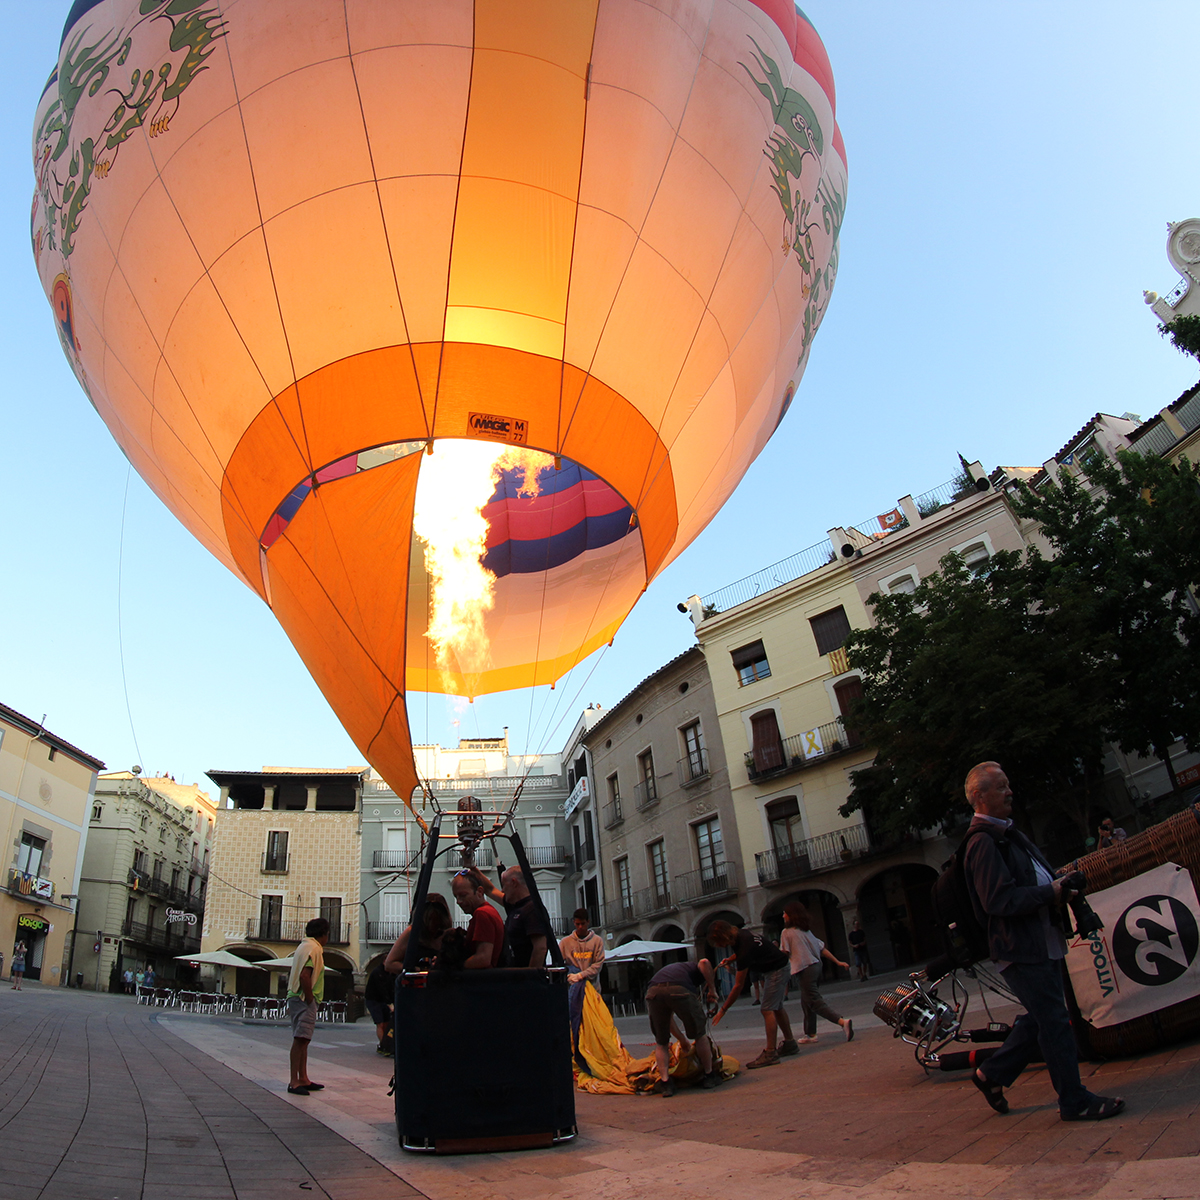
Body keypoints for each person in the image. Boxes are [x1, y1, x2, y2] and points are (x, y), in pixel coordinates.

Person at [962, 762, 1125, 1122]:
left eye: (1008, 785)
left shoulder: (1008, 835)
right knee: (1053, 1020)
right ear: (979, 797)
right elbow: (998, 901)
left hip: (1039, 941)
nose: (1010, 792)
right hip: (1020, 947)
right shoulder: (983, 843)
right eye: (1001, 787)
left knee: (1040, 1018)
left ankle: (992, 1074)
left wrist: (1059, 884)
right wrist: (1049, 892)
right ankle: (1074, 1101)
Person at [709, 919, 797, 1068]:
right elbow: (749, 951)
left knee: (767, 1009)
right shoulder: (742, 934)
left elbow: (738, 986)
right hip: (779, 966)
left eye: (717, 942)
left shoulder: (744, 948)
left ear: (723, 937)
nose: (718, 946)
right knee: (776, 1007)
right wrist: (730, 959)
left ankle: (770, 1053)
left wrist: (723, 1010)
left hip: (777, 970)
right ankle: (790, 1043)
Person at [645, 957, 722, 1095]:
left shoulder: (678, 968)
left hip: (653, 991)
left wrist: (682, 1039)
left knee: (661, 1042)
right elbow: (704, 962)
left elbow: (668, 1021)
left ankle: (665, 1083)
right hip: (679, 989)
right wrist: (712, 989)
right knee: (700, 1035)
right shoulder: (696, 967)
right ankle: (709, 1075)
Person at [780, 901, 853, 1044]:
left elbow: (784, 953)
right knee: (806, 1001)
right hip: (816, 966)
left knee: (813, 1001)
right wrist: (837, 962)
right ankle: (810, 1033)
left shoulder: (786, 932)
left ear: (790, 915)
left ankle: (842, 1021)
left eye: (785, 913)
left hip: (804, 968)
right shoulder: (805, 930)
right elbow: (822, 949)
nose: (783, 916)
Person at [469, 865, 548, 968]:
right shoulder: (514, 905)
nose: (502, 890)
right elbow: (490, 890)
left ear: (514, 883)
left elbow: (540, 948)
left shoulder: (532, 909)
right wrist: (472, 867)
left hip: (526, 978)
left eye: (504, 885)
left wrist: (530, 977)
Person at [286, 917, 330, 1096]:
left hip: (297, 997)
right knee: (300, 1040)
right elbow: (305, 976)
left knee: (304, 1040)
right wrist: (310, 999)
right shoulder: (314, 949)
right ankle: (294, 1081)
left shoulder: (304, 946)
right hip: (303, 998)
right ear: (323, 934)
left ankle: (303, 1078)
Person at [383, 892, 453, 974]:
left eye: (437, 919)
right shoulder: (412, 932)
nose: (433, 924)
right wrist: (416, 970)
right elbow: (390, 964)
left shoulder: (448, 935)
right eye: (429, 919)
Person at [451, 872, 505, 968]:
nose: (458, 901)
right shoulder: (488, 911)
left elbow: (483, 959)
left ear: (479, 892)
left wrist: (451, 967)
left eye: (463, 895)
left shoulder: (482, 914)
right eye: (456, 897)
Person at [559, 908, 605, 985]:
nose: (580, 927)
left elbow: (597, 965)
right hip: (573, 987)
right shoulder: (565, 942)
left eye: (583, 924)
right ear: (574, 923)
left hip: (592, 988)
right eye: (578, 924)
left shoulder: (597, 941)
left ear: (588, 922)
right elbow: (559, 964)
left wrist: (580, 975)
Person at [364, 963, 395, 1056]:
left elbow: (391, 989)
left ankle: (386, 1043)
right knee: (380, 1023)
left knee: (386, 1023)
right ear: (384, 962)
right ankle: (384, 1045)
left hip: (383, 1000)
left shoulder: (391, 973)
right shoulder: (377, 972)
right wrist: (389, 1003)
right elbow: (381, 989)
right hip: (373, 1000)